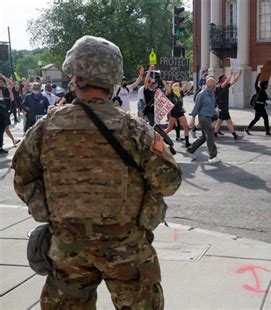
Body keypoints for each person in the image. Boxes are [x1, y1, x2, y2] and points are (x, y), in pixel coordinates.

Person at [12, 35, 182, 309]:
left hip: (68, 247)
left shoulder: (45, 127)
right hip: (126, 248)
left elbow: (22, 178)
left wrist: (49, 212)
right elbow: (170, 181)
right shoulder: (134, 128)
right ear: (113, 82)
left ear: (75, 78)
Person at [186, 76, 220, 163]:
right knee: (210, 136)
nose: (212, 86)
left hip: (208, 117)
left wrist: (215, 109)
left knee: (204, 137)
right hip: (203, 118)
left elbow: (211, 105)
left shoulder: (211, 93)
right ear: (206, 84)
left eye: (213, 85)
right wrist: (193, 119)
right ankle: (212, 156)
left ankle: (191, 150)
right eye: (210, 84)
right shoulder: (201, 94)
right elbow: (196, 107)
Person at [214, 69, 243, 140]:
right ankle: (235, 136)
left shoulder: (226, 86)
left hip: (223, 107)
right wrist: (231, 74)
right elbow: (226, 81)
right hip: (222, 107)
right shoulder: (220, 87)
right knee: (229, 122)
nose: (226, 78)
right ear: (221, 80)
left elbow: (234, 81)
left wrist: (239, 73)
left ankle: (214, 134)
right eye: (224, 78)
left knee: (219, 121)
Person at [164, 80, 191, 147]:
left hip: (180, 112)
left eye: (178, 86)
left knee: (186, 127)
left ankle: (187, 142)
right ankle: (160, 136)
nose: (176, 87)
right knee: (169, 128)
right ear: (172, 87)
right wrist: (164, 81)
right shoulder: (171, 93)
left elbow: (185, 86)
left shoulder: (180, 92)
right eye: (175, 86)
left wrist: (186, 81)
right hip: (173, 113)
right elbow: (166, 86)